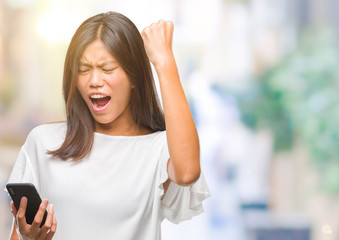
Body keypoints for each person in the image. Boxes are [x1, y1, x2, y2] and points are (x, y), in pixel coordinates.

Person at [5, 11, 210, 240]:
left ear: (134, 79)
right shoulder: (43, 142)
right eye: (84, 70)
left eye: (107, 69)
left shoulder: (158, 149)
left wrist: (164, 62)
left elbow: (188, 172)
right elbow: (18, 234)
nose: (94, 81)